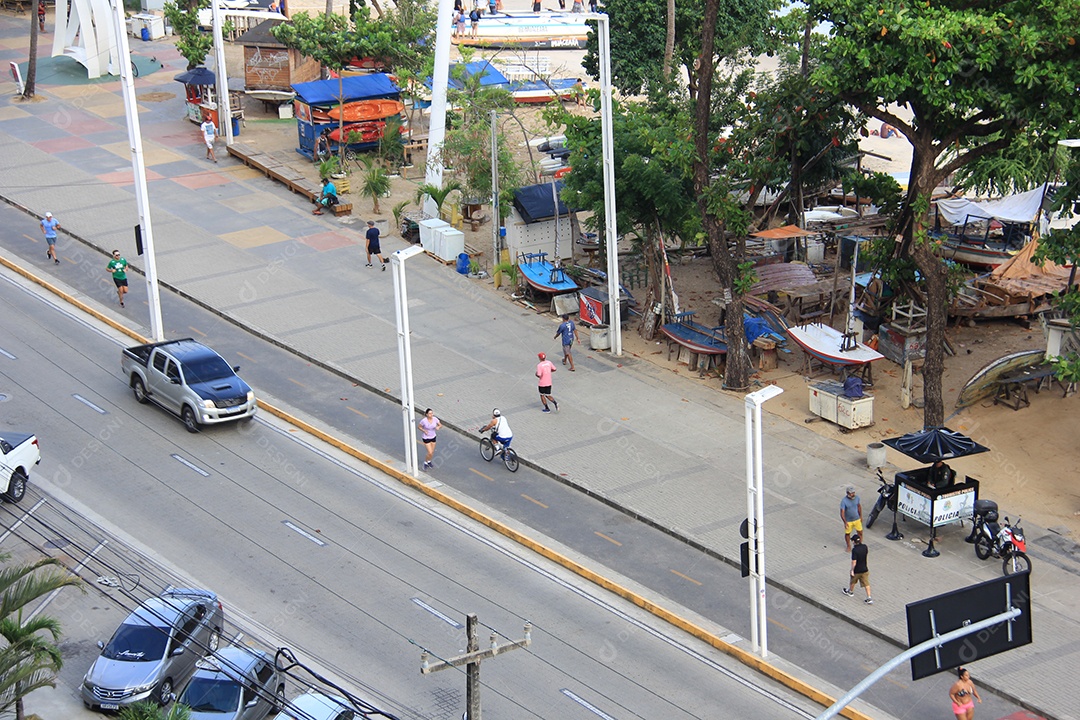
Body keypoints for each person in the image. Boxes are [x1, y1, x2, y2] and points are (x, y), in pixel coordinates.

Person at [842, 532, 873, 604]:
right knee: (866, 583)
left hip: (857, 570)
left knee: (853, 581)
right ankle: (869, 597)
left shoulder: (855, 550)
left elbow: (854, 562)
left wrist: (852, 570)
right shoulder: (865, 547)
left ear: (854, 542)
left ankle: (850, 591)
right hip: (865, 569)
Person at [840, 485, 862, 552]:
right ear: (848, 493)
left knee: (860, 532)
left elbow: (859, 506)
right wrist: (845, 522)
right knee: (847, 533)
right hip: (849, 521)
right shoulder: (844, 501)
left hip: (857, 519)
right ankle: (848, 546)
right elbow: (842, 512)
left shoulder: (857, 498)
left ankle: (859, 544)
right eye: (851, 493)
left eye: (853, 493)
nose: (853, 494)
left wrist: (860, 516)